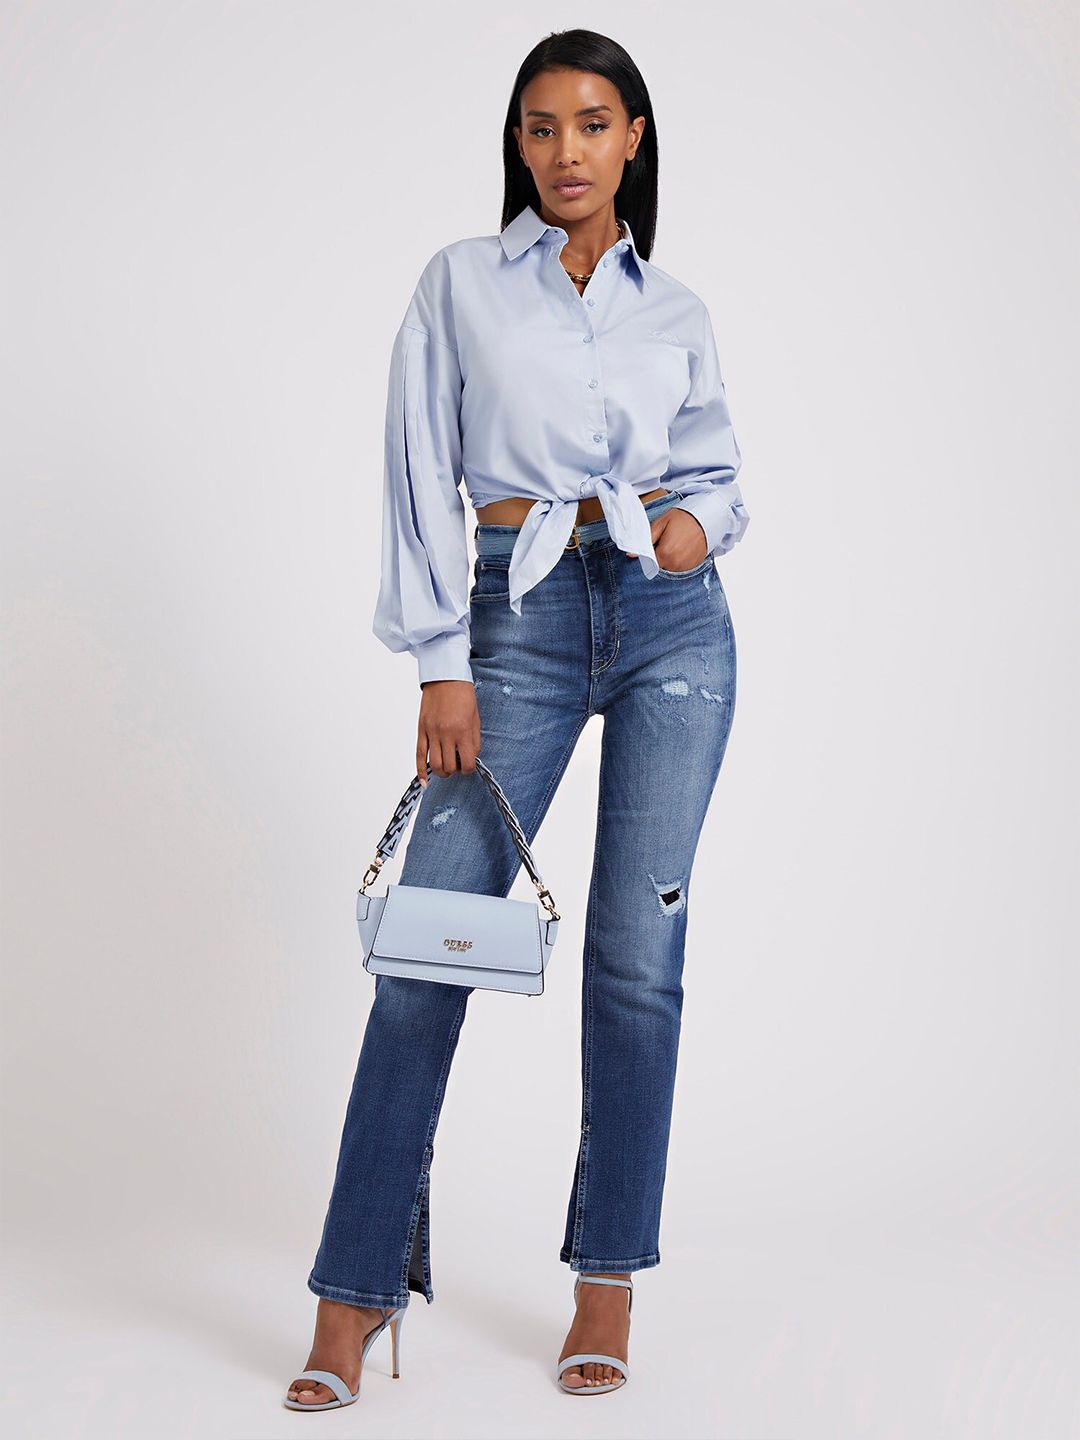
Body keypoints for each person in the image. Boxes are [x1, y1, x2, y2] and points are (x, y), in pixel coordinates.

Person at [285, 26, 750, 1409]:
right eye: (542, 127)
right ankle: (354, 1293)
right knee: (427, 951)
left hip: (672, 625)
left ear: (634, 139)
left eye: (593, 124)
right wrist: (442, 659)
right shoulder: (459, 285)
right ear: (519, 144)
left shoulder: (677, 311)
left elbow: (720, 474)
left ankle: (607, 1283)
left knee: (636, 962)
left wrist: (697, 527)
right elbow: (417, 464)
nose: (566, 151)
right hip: (515, 618)